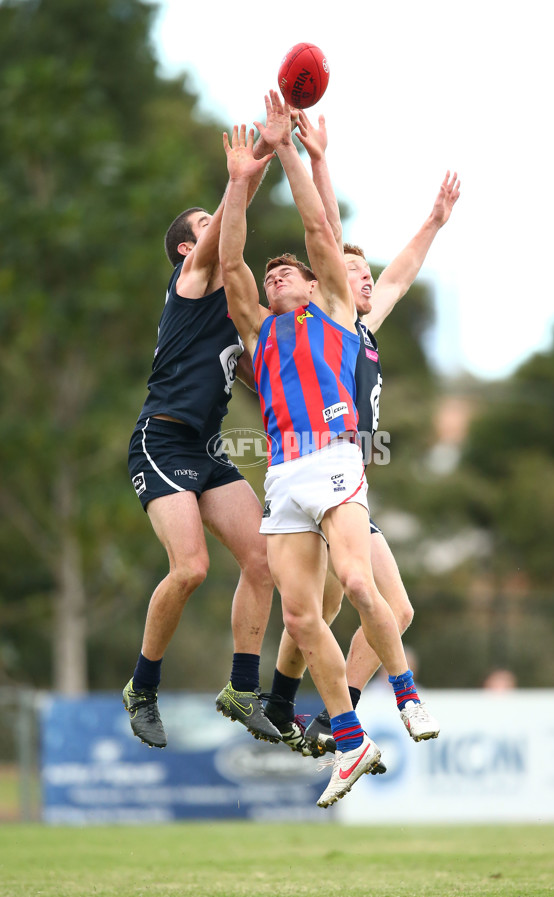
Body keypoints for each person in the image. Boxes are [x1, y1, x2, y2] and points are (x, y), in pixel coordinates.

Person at [219, 91, 422, 808]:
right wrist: (242, 180)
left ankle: (400, 696)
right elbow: (233, 259)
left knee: (367, 592)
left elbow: (318, 227)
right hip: (283, 476)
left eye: (290, 271)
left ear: (315, 283)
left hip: (337, 459)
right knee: (304, 616)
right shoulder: (257, 331)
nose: (278, 275)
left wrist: (304, 154)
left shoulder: (334, 311)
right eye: (273, 276)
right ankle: (339, 729)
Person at [259, 110, 460, 760]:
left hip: (348, 479)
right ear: (328, 287)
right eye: (356, 270)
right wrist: (311, 160)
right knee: (330, 602)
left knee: (388, 611)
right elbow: (324, 234)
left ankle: (310, 713)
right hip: (318, 471)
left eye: (368, 271)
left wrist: (432, 222)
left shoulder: (364, 329)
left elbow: (400, 273)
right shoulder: (324, 321)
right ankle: (290, 705)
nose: (369, 276)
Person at [122, 117, 288, 750]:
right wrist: (243, 176)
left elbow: (235, 219)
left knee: (264, 559)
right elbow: (228, 223)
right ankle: (143, 688)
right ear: (188, 251)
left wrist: (269, 149)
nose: (214, 228)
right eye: (202, 227)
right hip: (160, 444)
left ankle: (242, 688)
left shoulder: (231, 304)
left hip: (207, 450)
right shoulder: (190, 283)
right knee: (189, 568)